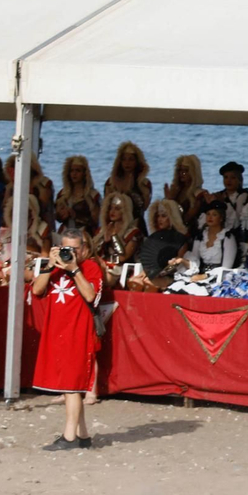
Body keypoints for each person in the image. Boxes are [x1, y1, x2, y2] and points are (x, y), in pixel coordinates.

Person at [32, 232, 104, 448]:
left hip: (78, 331)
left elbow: (91, 296)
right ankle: (82, 435)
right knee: (68, 385)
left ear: (83, 249)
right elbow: (37, 290)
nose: (69, 253)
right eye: (65, 249)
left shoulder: (90, 268)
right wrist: (49, 265)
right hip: (57, 330)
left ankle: (69, 436)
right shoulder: (54, 268)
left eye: (74, 249)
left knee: (72, 385)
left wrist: (74, 269)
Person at [103, 141, 153, 227]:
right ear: (120, 162)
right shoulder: (111, 183)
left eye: (131, 159)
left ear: (137, 162)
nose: (127, 163)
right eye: (124, 159)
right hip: (116, 226)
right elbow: (106, 208)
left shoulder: (144, 184)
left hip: (137, 226)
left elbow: (144, 207)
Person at [55, 155, 102, 236]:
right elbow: (56, 217)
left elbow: (96, 221)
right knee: (63, 249)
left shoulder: (93, 196)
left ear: (84, 173)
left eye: (78, 171)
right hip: (65, 233)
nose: (74, 174)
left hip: (85, 235)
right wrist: (62, 214)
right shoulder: (62, 194)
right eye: (72, 171)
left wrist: (76, 215)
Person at [163, 155, 211, 228]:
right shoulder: (176, 191)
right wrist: (169, 199)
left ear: (194, 172)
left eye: (186, 170)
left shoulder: (199, 194)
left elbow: (187, 218)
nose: (182, 173)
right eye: (180, 170)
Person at [213, 161, 248, 234]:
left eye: (233, 178)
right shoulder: (219, 194)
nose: (228, 180)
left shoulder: (243, 195)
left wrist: (224, 203)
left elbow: (238, 218)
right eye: (226, 177)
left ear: (239, 180)